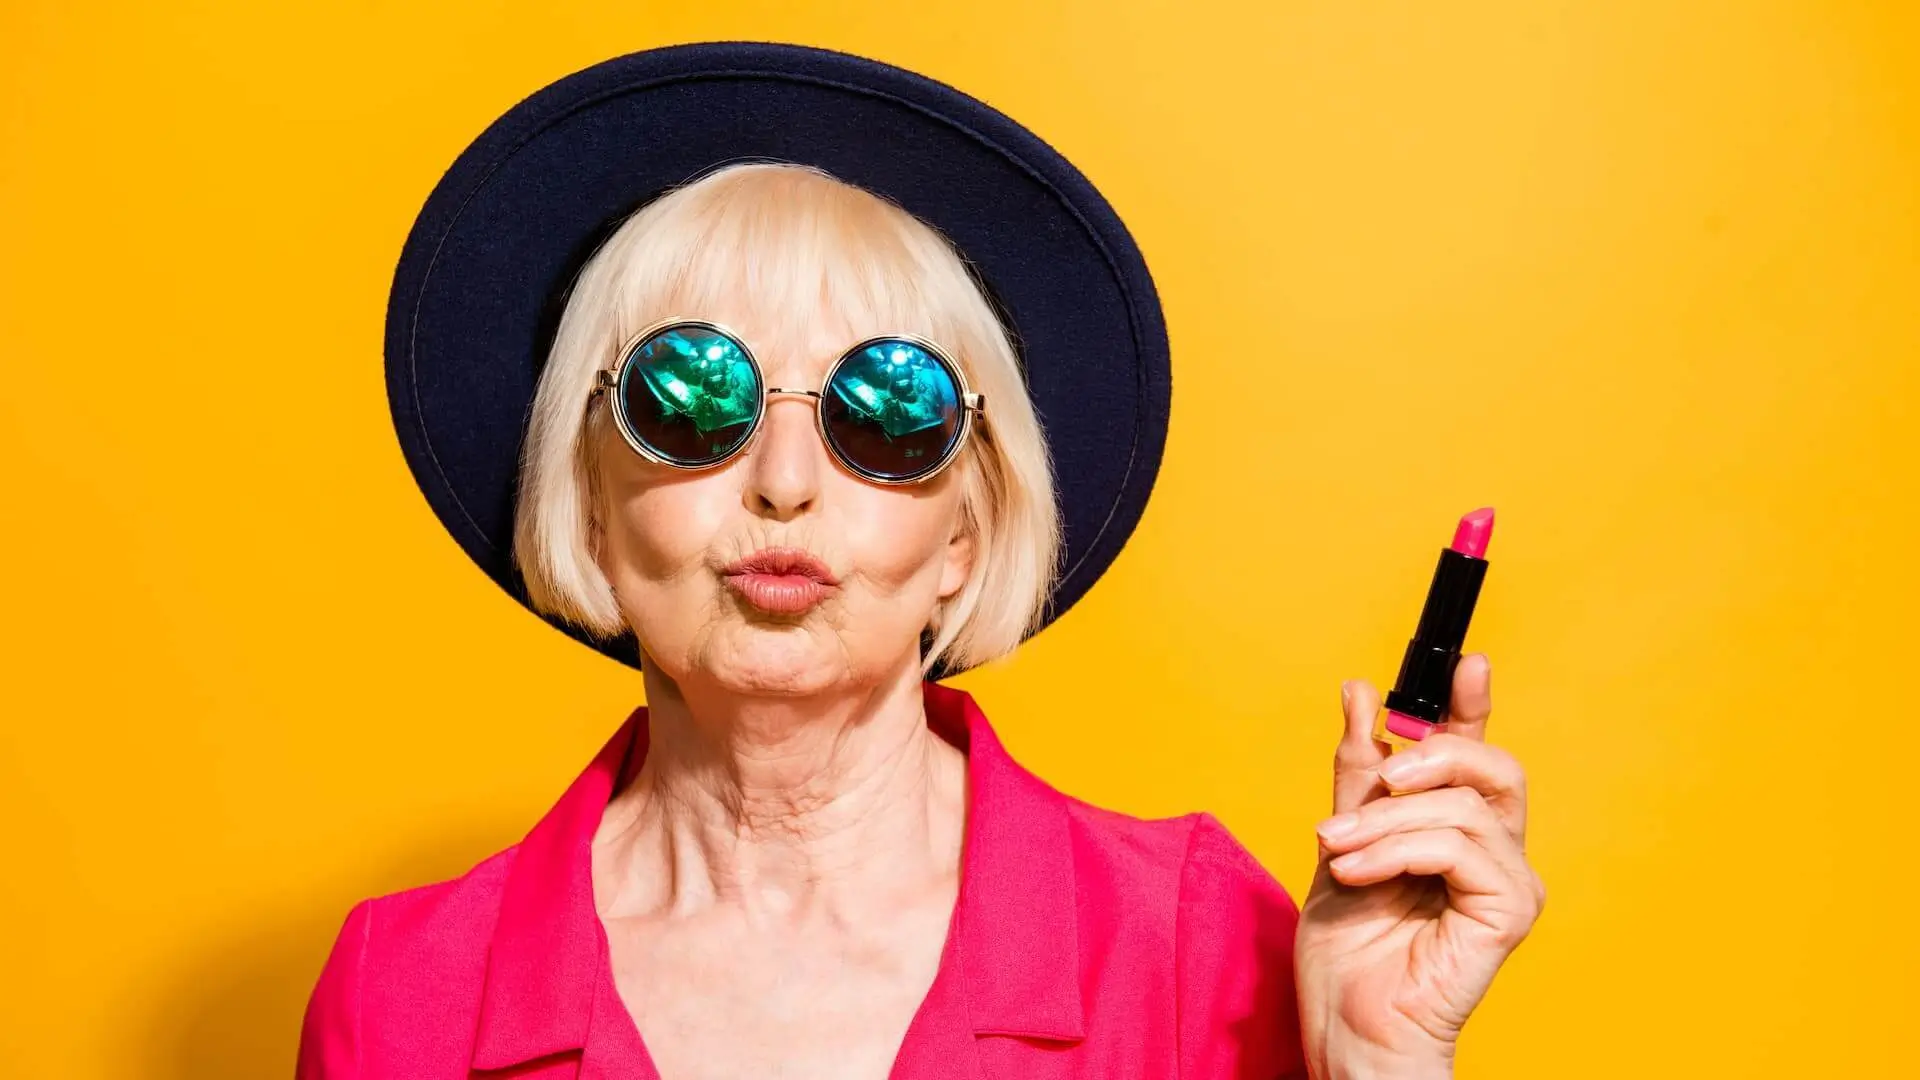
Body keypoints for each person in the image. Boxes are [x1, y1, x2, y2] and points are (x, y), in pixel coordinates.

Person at [302, 44, 1541, 1080]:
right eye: (691, 399)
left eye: (885, 413)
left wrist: (1379, 1063)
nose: (785, 482)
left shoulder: (1192, 943)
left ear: (966, 530)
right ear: (588, 503)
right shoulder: (402, 992)